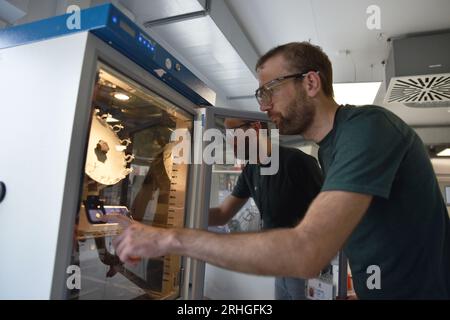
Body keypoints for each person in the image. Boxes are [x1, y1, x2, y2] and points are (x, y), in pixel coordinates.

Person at [106, 42, 450, 299]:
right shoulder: (329, 149)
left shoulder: (367, 128)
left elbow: (307, 251)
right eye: (260, 95)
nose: (264, 104)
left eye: (270, 90)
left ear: (311, 83)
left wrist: (169, 239)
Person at [208, 118, 323, 299]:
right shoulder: (251, 170)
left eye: (232, 134)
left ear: (255, 128)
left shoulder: (296, 162)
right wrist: (186, 215)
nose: (229, 141)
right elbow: (223, 214)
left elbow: (326, 214)